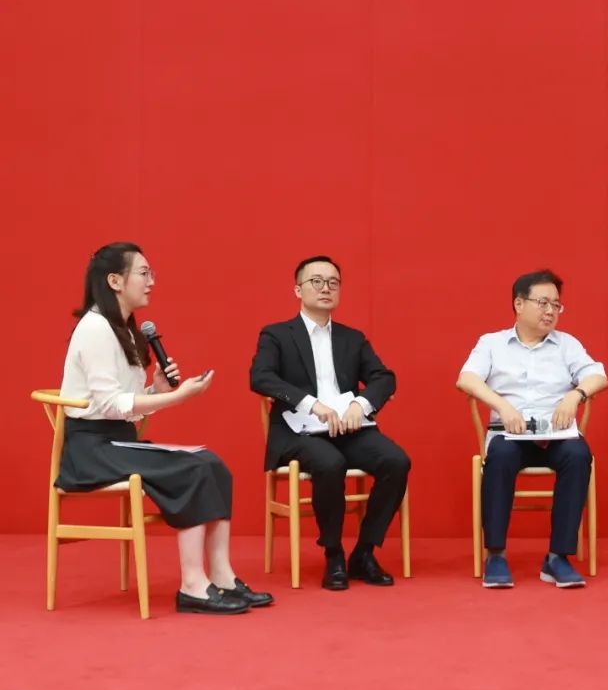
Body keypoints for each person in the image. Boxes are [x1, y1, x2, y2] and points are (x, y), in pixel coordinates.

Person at [58, 242, 272, 615]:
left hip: (118, 443)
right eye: (143, 273)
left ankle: (222, 575)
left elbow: (124, 405)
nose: (151, 281)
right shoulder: (95, 328)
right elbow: (109, 405)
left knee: (212, 464)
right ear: (114, 281)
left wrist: (155, 390)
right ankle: (193, 586)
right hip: (90, 451)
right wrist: (175, 397)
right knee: (190, 469)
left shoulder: (125, 330)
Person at [250, 255, 410, 591]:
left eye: (333, 283)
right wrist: (312, 404)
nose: (326, 288)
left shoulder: (352, 338)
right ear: (298, 289)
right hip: (297, 429)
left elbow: (384, 377)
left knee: (396, 461)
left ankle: (364, 552)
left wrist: (359, 404)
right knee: (329, 462)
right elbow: (260, 377)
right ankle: (333, 553)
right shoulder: (276, 334)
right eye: (317, 281)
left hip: (348, 429)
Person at [456, 269, 608, 589]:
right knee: (499, 455)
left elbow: (598, 376)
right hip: (510, 433)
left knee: (579, 455)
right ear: (519, 304)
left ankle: (557, 557)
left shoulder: (567, 344)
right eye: (543, 303)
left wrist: (576, 395)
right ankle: (496, 555)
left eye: (556, 304)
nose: (551, 311)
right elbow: (466, 379)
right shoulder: (492, 343)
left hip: (557, 435)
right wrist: (502, 405)